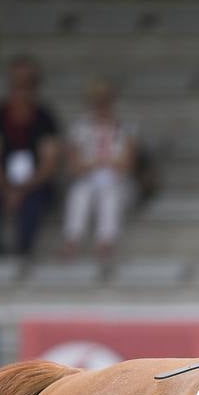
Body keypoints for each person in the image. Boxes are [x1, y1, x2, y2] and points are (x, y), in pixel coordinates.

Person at [0, 55, 61, 256]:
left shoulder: (44, 117)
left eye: (27, 83)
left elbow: (49, 163)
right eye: (17, 83)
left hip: (34, 181)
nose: (21, 89)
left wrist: (22, 189)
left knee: (34, 200)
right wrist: (6, 188)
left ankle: (24, 248)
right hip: (3, 179)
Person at [62, 77, 138, 260]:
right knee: (79, 192)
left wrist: (95, 163)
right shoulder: (79, 129)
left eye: (105, 101)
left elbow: (127, 166)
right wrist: (103, 162)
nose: (101, 106)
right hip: (89, 179)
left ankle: (106, 241)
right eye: (97, 101)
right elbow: (73, 167)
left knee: (110, 192)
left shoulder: (126, 129)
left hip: (118, 182)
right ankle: (72, 239)